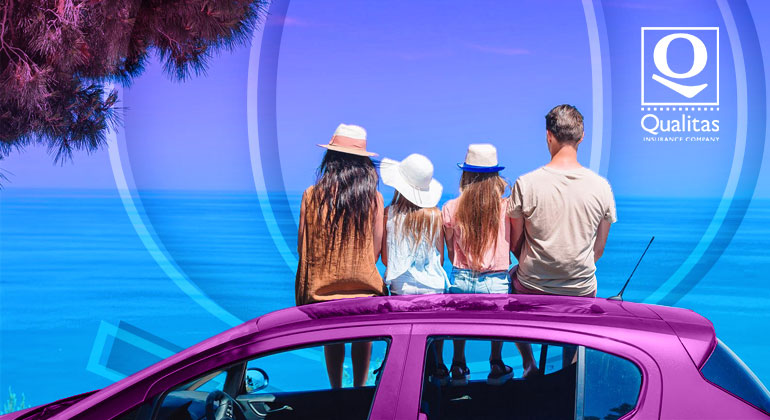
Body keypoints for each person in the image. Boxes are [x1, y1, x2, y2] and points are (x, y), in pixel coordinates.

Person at [509, 104, 617, 366]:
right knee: (577, 321)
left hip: (532, 287)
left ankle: (528, 364)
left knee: (510, 281)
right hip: (580, 289)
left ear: (549, 136)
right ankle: (570, 368)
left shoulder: (526, 184)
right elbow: (598, 249)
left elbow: (514, 243)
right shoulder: (601, 187)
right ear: (582, 137)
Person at [295, 123, 386, 388]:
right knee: (363, 334)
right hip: (364, 293)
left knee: (332, 338)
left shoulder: (311, 196)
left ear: (330, 160)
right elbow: (376, 251)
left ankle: (335, 390)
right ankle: (359, 388)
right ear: (364, 164)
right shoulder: (374, 199)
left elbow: (303, 248)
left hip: (320, 295)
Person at [442, 143, 538, 385]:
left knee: (458, 321)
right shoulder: (505, 207)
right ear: (495, 176)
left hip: (462, 278)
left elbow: (452, 252)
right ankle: (496, 362)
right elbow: (514, 242)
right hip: (495, 281)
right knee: (500, 322)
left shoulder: (451, 208)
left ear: (465, 174)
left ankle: (458, 365)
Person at [380, 153, 449, 383]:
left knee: (403, 348)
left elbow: (387, 260)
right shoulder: (436, 215)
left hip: (402, 292)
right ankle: (438, 369)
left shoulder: (389, 214)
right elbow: (440, 261)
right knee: (434, 343)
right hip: (434, 291)